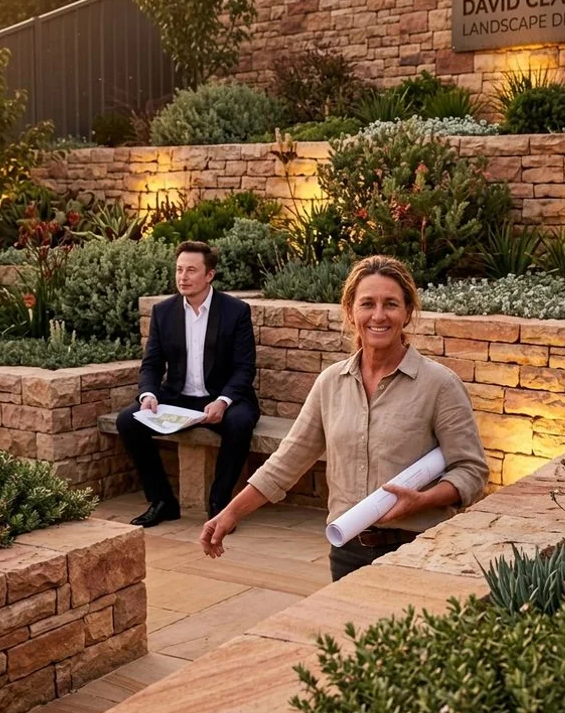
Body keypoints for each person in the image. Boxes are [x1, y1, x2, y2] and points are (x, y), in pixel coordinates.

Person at [200, 254, 489, 580]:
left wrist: (423, 500)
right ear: (350, 311)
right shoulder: (331, 383)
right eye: (367, 304)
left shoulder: (439, 384)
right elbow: (286, 462)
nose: (378, 315)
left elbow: (472, 469)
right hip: (348, 550)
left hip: (418, 549)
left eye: (391, 304)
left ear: (407, 312)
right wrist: (229, 515)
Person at [117, 240, 260, 527]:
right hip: (178, 396)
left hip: (223, 397)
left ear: (210, 275)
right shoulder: (164, 311)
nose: (183, 277)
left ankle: (220, 504)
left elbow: (245, 368)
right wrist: (147, 394)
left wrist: (223, 401)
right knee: (128, 421)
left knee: (240, 424)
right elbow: (152, 364)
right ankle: (162, 501)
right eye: (179, 270)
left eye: (191, 270)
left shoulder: (235, 311)